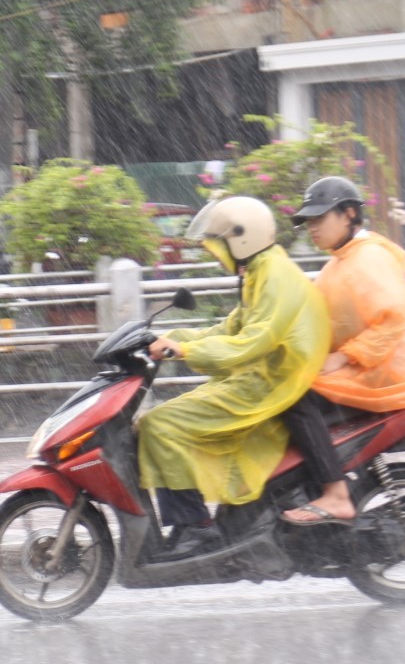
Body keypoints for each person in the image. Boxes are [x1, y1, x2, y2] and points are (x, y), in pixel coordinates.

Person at [140, 196, 330, 557]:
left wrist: (187, 351)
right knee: (157, 424)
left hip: (269, 385)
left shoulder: (275, 276)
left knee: (160, 426)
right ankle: (191, 520)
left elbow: (250, 343)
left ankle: (195, 527)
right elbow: (229, 328)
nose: (215, 253)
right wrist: (172, 339)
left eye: (218, 244)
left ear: (241, 239)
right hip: (257, 379)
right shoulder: (262, 271)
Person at [281, 176, 405, 525]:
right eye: (308, 221)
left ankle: (334, 493)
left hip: (388, 373)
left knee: (293, 398)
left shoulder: (368, 258)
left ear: (349, 214)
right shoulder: (340, 261)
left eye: (319, 218)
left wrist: (341, 357)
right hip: (370, 367)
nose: (312, 228)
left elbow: (391, 320)